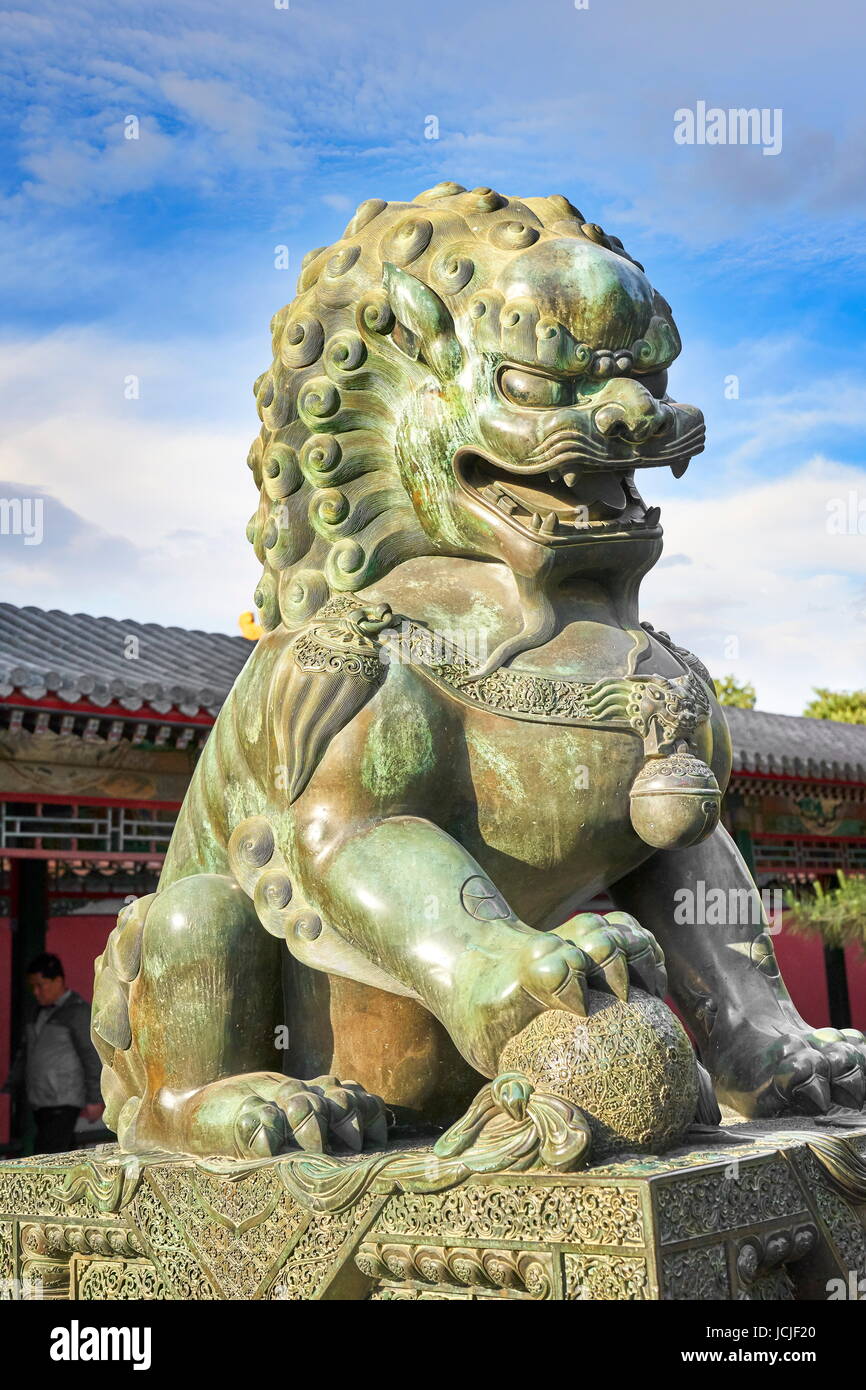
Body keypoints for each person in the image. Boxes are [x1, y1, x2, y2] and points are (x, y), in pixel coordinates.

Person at [2, 953, 104, 1154]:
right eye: (33, 987)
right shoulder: (35, 1011)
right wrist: (10, 1086)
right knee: (58, 1150)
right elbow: (26, 1053)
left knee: (50, 1152)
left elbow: (91, 1056)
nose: (36, 992)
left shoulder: (78, 1012)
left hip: (64, 1099)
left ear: (58, 981)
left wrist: (95, 1098)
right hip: (40, 1099)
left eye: (41, 985)